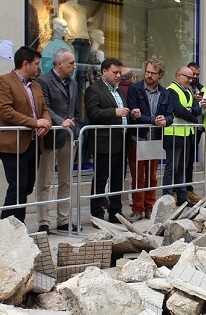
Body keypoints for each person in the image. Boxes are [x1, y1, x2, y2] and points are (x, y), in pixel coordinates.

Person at [0, 46, 52, 223]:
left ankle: (17, 225)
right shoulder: (5, 81)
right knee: (17, 185)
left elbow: (44, 110)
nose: (39, 67)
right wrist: (34, 123)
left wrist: (46, 123)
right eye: (36, 64)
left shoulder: (36, 85)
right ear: (25, 64)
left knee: (27, 186)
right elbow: (5, 111)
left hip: (34, 144)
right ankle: (7, 228)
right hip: (12, 145)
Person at [35, 48, 81, 233]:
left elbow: (76, 110)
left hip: (68, 138)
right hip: (49, 136)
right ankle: (43, 221)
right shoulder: (43, 81)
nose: (74, 67)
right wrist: (60, 122)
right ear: (59, 63)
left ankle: (63, 219)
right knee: (45, 181)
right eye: (71, 63)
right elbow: (44, 106)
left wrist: (75, 129)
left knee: (66, 181)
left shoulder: (74, 84)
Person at [127, 58, 174, 221]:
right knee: (138, 175)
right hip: (138, 138)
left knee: (152, 176)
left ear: (160, 75)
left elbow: (170, 115)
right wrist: (153, 120)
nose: (149, 75)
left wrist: (165, 121)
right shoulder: (135, 89)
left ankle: (150, 206)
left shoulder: (165, 93)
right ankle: (137, 208)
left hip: (155, 138)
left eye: (153, 73)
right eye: (147, 72)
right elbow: (134, 115)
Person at [84, 57, 130, 223]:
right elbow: (93, 113)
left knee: (118, 178)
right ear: (104, 72)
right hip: (104, 142)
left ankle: (115, 212)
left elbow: (122, 113)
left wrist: (132, 113)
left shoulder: (117, 91)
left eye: (120, 72)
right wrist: (114, 112)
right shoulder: (94, 90)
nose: (118, 75)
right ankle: (96, 215)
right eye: (115, 72)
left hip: (121, 140)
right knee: (101, 178)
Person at [163, 66, 201, 207]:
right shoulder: (171, 90)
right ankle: (166, 198)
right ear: (178, 75)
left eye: (192, 78)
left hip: (185, 134)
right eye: (187, 77)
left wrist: (190, 111)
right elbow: (178, 111)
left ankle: (182, 197)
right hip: (173, 134)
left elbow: (197, 109)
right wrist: (192, 114)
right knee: (171, 168)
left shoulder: (187, 91)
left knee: (182, 168)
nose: (190, 80)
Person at [185, 62, 206, 201]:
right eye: (193, 73)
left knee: (190, 161)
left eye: (197, 74)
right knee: (182, 161)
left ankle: (188, 190)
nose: (195, 76)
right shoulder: (183, 87)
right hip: (184, 129)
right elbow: (180, 107)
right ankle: (180, 190)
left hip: (197, 129)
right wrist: (193, 100)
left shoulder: (201, 88)